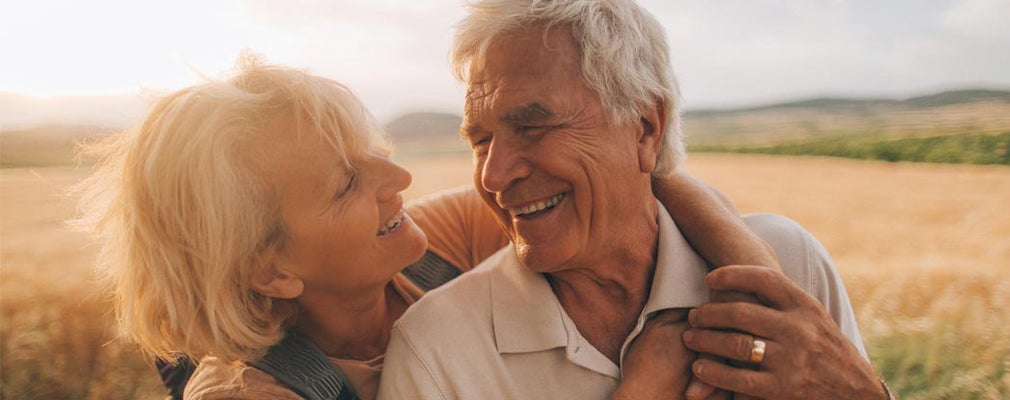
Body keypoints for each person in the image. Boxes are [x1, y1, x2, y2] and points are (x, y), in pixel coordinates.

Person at [72, 55, 779, 400]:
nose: (401, 183)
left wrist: (770, 294)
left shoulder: (425, 248)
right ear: (270, 270)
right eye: (350, 184)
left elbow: (636, 180)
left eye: (378, 157)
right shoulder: (255, 396)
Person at [377, 1, 891, 399]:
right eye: (480, 141)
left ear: (646, 128)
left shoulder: (789, 263)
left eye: (533, 127)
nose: (492, 175)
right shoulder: (437, 353)